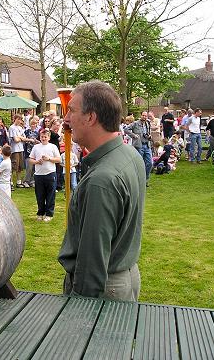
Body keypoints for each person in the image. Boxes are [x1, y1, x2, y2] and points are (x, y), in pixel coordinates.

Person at [58, 80, 146, 301]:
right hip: (123, 277)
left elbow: (92, 264)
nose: (66, 119)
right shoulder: (129, 154)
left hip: (102, 289)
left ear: (91, 117)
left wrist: (80, 308)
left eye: (71, 110)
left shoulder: (102, 180)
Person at [29, 128, 61, 222]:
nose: (43, 138)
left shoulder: (53, 147)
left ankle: (49, 214)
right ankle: (40, 213)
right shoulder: (36, 147)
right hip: (39, 174)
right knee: (40, 195)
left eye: (45, 137)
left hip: (50, 173)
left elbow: (59, 159)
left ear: (49, 137)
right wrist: (36, 162)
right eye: (42, 137)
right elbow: (30, 159)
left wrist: (49, 159)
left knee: (50, 195)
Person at [125, 111, 152, 186]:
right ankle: (139, 180)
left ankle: (145, 179)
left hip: (147, 145)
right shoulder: (135, 123)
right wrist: (134, 135)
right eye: (143, 115)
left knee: (150, 163)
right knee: (140, 164)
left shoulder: (147, 123)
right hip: (139, 146)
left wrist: (150, 136)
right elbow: (126, 129)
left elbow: (149, 132)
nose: (144, 117)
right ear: (141, 116)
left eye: (146, 116)